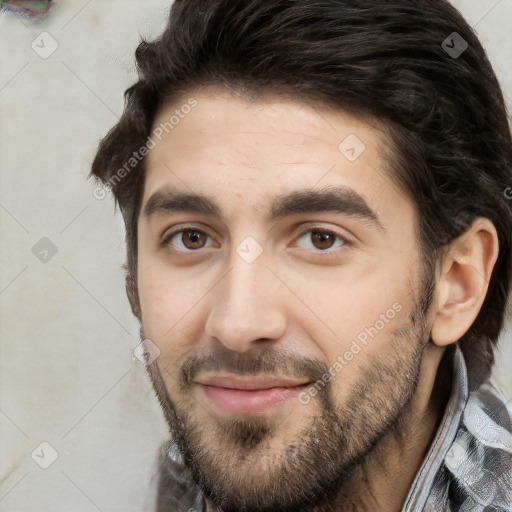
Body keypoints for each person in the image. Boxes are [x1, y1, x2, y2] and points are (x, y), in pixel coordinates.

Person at [90, 1, 512, 510]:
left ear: (456, 284)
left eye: (320, 239)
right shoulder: (184, 482)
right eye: (192, 238)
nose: (237, 324)